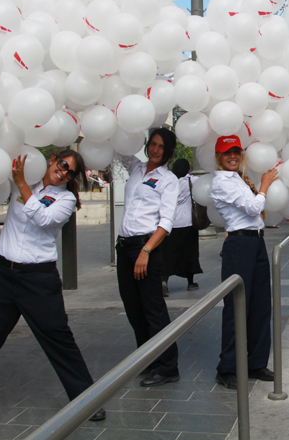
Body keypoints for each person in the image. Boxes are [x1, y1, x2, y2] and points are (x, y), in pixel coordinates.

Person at [0, 150, 105, 426]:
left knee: (58, 339)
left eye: (70, 171)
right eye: (62, 164)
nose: (63, 172)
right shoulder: (25, 180)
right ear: (52, 160)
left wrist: (23, 186)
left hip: (37, 280)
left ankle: (87, 399)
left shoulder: (66, 199)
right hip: (2, 274)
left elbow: (44, 220)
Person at [210, 135, 278, 390]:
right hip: (239, 245)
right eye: (227, 153)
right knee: (237, 307)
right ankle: (227, 367)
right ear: (219, 156)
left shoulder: (238, 179)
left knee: (261, 305)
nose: (233, 157)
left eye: (236, 152)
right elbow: (251, 208)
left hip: (255, 242)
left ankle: (256, 362)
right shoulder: (221, 182)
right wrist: (264, 186)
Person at [115, 127, 180, 388]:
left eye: (161, 146)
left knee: (152, 308)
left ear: (168, 152)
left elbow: (166, 222)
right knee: (133, 307)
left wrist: (146, 251)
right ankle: (147, 359)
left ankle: (167, 366)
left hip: (146, 248)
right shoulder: (136, 168)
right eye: (152, 144)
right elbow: (119, 147)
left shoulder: (168, 180)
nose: (154, 150)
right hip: (124, 247)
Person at [161, 158, 203, 295]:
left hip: (170, 224)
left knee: (168, 254)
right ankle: (190, 283)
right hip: (188, 223)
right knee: (189, 254)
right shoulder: (190, 180)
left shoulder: (169, 181)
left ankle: (164, 282)